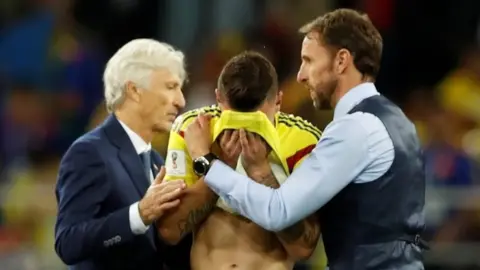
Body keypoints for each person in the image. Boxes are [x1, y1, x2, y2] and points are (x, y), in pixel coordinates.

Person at [183, 9, 428, 270]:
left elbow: (278, 211)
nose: (300, 75)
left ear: (341, 60)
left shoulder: (355, 129)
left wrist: (206, 162)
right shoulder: (398, 121)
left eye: (309, 60)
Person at [156, 51, 323, 269]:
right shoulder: (193, 130)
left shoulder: (303, 141)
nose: (243, 132)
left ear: (279, 102)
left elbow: (303, 248)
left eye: (256, 122)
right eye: (234, 120)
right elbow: (170, 231)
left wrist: (262, 173)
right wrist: (220, 166)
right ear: (218, 99)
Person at [54, 39, 193, 270]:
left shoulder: (159, 162)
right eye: (170, 87)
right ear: (135, 90)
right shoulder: (89, 152)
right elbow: (68, 243)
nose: (181, 101)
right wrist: (137, 215)